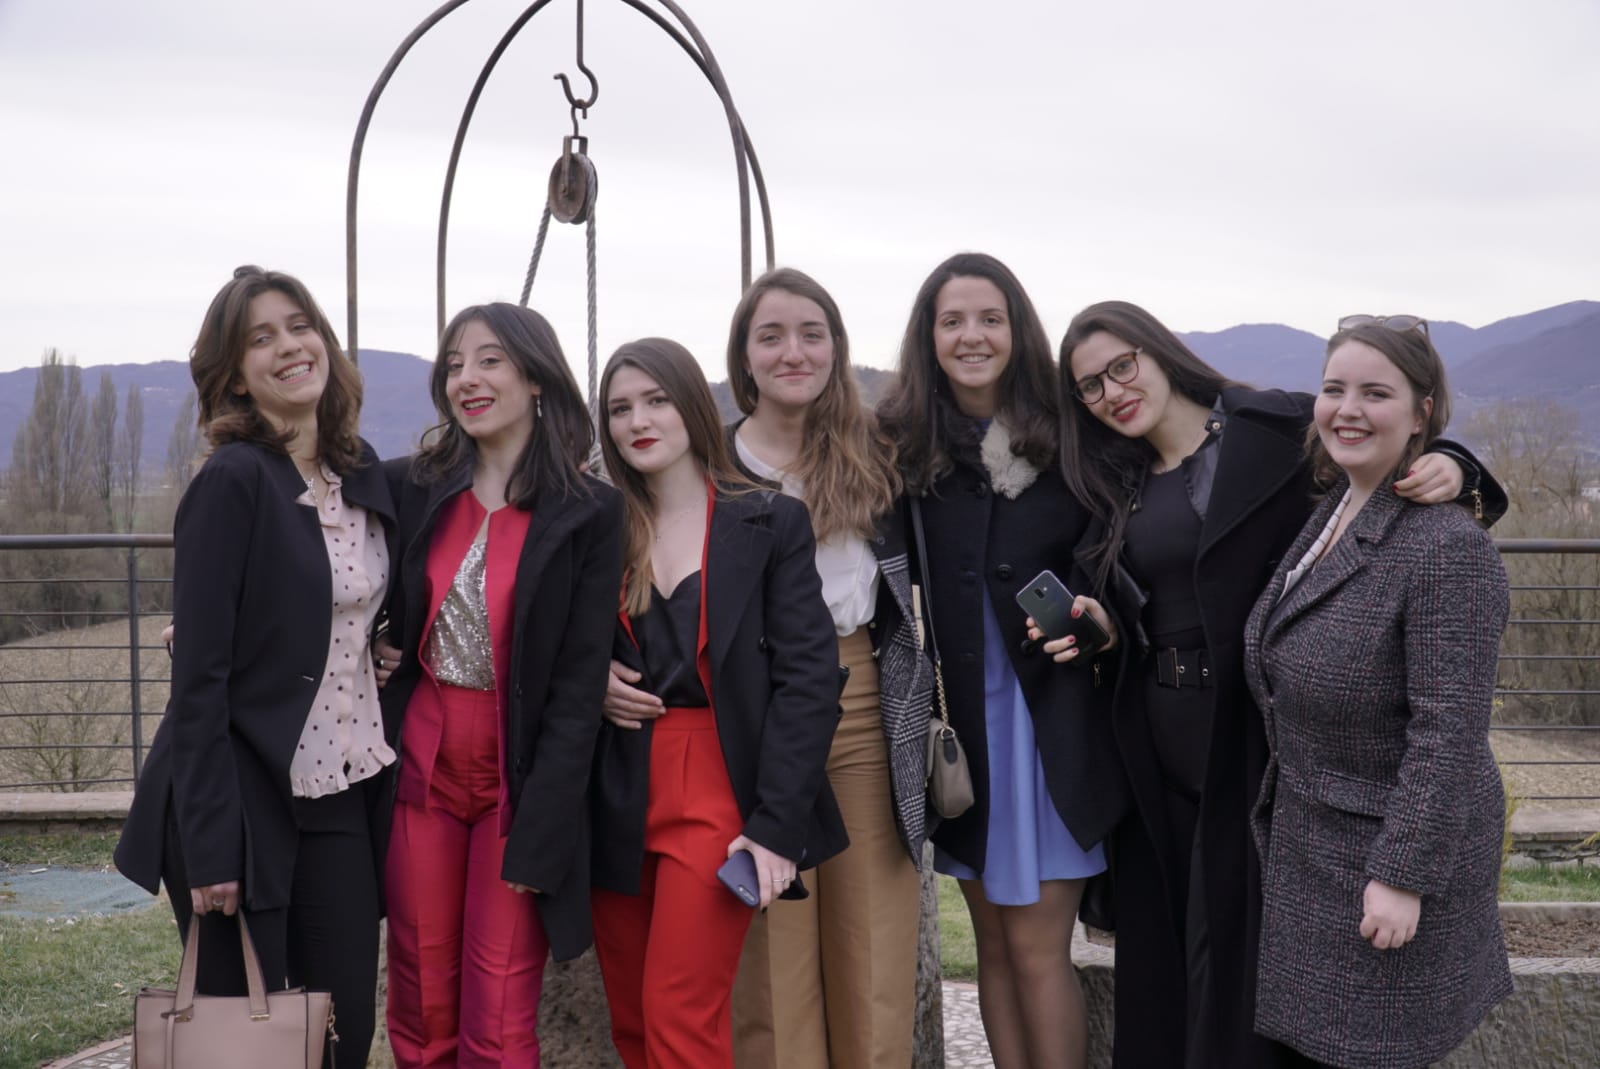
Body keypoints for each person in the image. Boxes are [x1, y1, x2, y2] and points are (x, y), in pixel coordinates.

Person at [1055, 301, 1506, 1068]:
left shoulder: (1270, 431)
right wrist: (1104, 626)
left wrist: (1459, 465)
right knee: (1167, 965)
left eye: (1122, 366)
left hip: (1256, 745)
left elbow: (1375, 441)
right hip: (1157, 741)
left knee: (1243, 968)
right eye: (1090, 385)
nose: (1111, 391)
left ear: (1159, 352)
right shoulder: (1109, 475)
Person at [599, 268, 934, 1069]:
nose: (793, 352)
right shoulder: (704, 461)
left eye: (812, 334)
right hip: (735, 712)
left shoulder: (881, 454)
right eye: (771, 335)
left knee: (871, 946)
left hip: (856, 696)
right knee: (767, 965)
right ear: (741, 356)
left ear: (838, 347)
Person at [115, 265, 396, 1069]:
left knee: (344, 1030)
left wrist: (383, 642)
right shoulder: (233, 481)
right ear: (236, 374)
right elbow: (199, 679)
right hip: (240, 801)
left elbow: (358, 597)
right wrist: (212, 849)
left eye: (299, 326)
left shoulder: (360, 470)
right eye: (261, 338)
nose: (289, 347)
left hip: (339, 790)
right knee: (249, 1044)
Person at [875, 252, 1126, 1069]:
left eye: (990, 318)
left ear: (1018, 328)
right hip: (964, 731)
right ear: (928, 336)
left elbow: (1130, 545)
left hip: (1051, 724)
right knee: (993, 945)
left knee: (1037, 948)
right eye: (952, 320)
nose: (971, 335)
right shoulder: (906, 449)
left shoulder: (1075, 434)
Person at [1242, 316, 1511, 1068]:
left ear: (1422, 412)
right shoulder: (1334, 508)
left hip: (1382, 867)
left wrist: (1402, 876)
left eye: (1375, 393)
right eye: (1334, 389)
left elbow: (1449, 734)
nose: (1348, 409)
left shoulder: (1447, 548)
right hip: (1316, 853)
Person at [374, 302, 623, 1067]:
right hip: (421, 764)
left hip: (520, 783)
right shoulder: (411, 486)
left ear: (537, 377)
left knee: (501, 1010)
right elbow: (320, 554)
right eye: (454, 364)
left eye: (489, 360)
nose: (467, 379)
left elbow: (579, 686)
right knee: (420, 999)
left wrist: (548, 820)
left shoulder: (590, 512)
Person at [588, 337, 846, 1069]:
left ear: (693, 406)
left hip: (718, 784)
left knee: (681, 1015)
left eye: (656, 400)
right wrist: (591, 680)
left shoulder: (768, 522)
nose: (638, 420)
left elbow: (809, 681)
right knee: (634, 1022)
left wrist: (775, 827)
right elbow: (548, 645)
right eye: (619, 409)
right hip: (616, 785)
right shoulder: (599, 529)